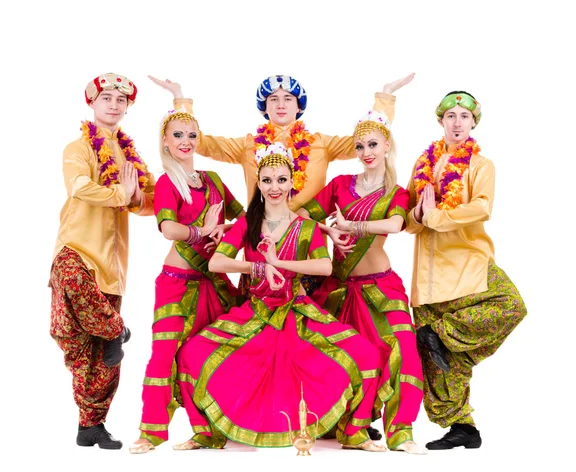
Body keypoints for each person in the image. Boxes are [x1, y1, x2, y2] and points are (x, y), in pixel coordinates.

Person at [173, 143, 385, 452]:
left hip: (298, 311)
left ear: (292, 183)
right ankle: (206, 433)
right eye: (268, 180)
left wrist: (279, 262)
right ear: (258, 183)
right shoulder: (247, 224)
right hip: (256, 311)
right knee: (192, 354)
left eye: (282, 180)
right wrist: (258, 267)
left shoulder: (307, 226)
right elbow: (217, 262)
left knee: (364, 355)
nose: (275, 187)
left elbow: (325, 266)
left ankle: (355, 432)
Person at [148, 74, 413, 301]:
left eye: (288, 98)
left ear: (300, 105)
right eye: (273, 98)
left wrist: (385, 98)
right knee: (256, 325)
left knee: (308, 329)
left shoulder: (322, 143)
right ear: (264, 106)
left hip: (309, 244)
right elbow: (198, 141)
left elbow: (369, 136)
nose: (281, 104)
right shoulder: (248, 145)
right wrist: (180, 100)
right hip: (261, 242)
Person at [406, 91, 527, 450]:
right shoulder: (422, 162)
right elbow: (411, 222)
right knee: (440, 360)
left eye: (464, 116)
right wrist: (417, 215)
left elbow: (481, 208)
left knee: (510, 305)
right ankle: (464, 428)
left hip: (467, 260)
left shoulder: (481, 165)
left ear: (474, 122)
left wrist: (437, 217)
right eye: (450, 116)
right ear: (440, 121)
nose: (457, 122)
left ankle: (438, 332)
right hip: (427, 269)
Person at [300, 110, 426, 454]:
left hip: (382, 286)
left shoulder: (397, 192)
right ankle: (351, 425)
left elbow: (395, 225)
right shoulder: (340, 185)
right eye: (359, 146)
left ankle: (402, 432)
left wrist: (351, 226)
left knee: (403, 348)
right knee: (350, 357)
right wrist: (327, 229)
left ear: (387, 145)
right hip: (340, 288)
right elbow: (299, 216)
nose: (366, 151)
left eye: (372, 144)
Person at [49, 73, 155, 449]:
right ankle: (118, 329)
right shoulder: (78, 148)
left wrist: (135, 197)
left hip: (113, 267)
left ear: (127, 107)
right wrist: (119, 193)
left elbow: (151, 201)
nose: (113, 104)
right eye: (106, 98)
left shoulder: (130, 154)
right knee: (78, 340)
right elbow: (78, 186)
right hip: (76, 249)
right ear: (92, 103)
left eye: (120, 100)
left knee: (102, 359)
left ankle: (90, 426)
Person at [129, 109, 244, 454]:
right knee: (163, 355)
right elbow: (169, 230)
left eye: (191, 135)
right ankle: (150, 432)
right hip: (177, 282)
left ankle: (209, 431)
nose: (185, 142)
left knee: (210, 354)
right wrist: (203, 231)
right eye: (178, 135)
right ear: (165, 140)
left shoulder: (213, 179)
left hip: (214, 281)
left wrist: (223, 231)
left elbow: (244, 216)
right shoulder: (167, 183)